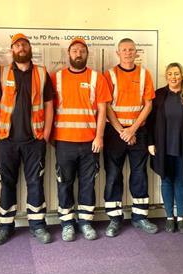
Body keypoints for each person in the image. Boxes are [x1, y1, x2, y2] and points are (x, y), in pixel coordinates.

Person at [0, 33, 53, 245]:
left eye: (24, 44)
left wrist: (45, 136)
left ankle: (37, 226)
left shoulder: (42, 74)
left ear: (30, 48)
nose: (21, 48)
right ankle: (5, 227)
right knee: (7, 183)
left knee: (35, 183)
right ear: (12, 50)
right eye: (17, 45)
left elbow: (49, 105)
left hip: (34, 141)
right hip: (7, 141)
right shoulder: (1, 73)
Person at [51, 37, 111, 241]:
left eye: (82, 51)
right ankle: (67, 223)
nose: (78, 54)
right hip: (63, 142)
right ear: (69, 54)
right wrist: (51, 137)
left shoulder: (97, 78)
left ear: (87, 55)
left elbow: (103, 110)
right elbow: (49, 109)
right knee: (64, 183)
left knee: (87, 184)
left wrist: (99, 137)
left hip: (89, 143)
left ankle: (85, 222)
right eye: (75, 50)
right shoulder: (56, 77)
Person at [102, 38, 157, 237]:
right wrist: (122, 131)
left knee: (139, 173)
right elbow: (106, 106)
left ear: (136, 52)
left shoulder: (144, 74)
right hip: (115, 132)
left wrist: (132, 130)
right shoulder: (109, 75)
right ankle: (115, 219)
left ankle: (140, 217)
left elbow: (148, 105)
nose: (127, 53)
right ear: (118, 53)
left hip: (137, 132)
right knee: (113, 174)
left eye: (131, 50)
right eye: (123, 50)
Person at [148, 63, 183, 233]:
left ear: (182, 75)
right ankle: (169, 218)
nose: (173, 77)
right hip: (162, 146)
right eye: (170, 74)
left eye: (177, 74)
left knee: (181, 180)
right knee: (166, 180)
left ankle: (180, 218)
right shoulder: (158, 95)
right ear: (166, 77)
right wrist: (150, 143)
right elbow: (150, 122)